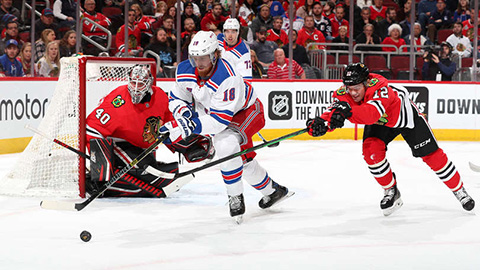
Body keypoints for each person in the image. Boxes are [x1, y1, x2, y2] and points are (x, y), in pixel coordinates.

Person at [306, 62, 475, 216]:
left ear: (365, 83)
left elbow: (371, 114)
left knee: (433, 156)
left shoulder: (380, 87)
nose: (353, 92)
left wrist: (347, 112)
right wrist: (320, 124)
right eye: (349, 88)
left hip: (405, 118)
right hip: (381, 123)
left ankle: (459, 190)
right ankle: (391, 191)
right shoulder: (346, 92)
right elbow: (334, 111)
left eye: (356, 87)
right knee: (371, 153)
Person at [160, 31, 292, 223]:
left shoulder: (226, 76)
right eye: (195, 57)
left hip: (248, 112)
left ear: (215, 54)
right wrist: (183, 114)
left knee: (225, 144)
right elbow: (177, 97)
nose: (199, 62)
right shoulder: (184, 69)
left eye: (204, 57)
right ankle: (273, 191)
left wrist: (188, 127)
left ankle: (235, 197)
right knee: (242, 161)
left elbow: (218, 123)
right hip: (219, 115)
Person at [85, 65, 190, 198]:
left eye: (140, 83)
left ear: (149, 83)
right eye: (133, 82)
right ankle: (96, 184)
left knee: (163, 175)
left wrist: (186, 146)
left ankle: (119, 185)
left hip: (141, 147)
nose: (136, 88)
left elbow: (168, 127)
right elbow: (91, 127)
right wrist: (101, 167)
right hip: (118, 144)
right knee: (151, 176)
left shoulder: (161, 96)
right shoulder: (117, 100)